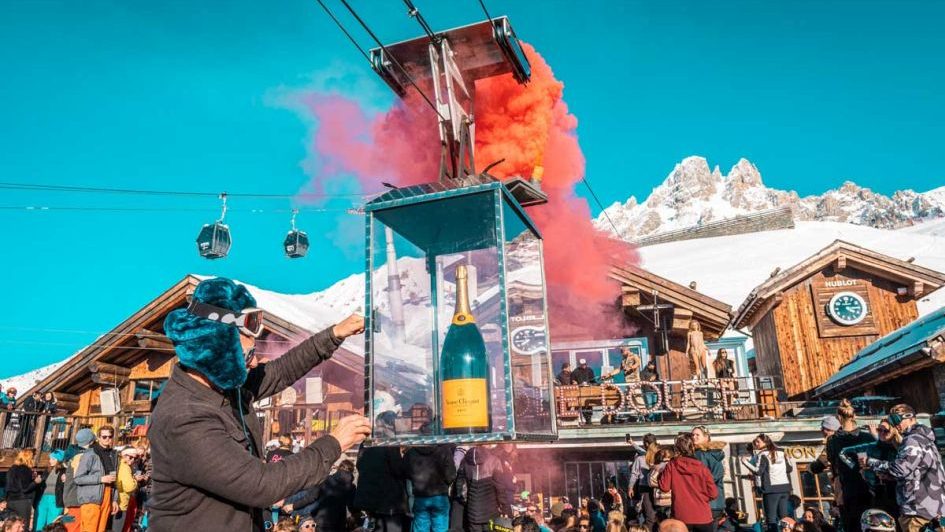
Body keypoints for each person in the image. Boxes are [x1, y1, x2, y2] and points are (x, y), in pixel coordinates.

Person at [148, 277, 369, 532]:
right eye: (247, 355)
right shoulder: (185, 417)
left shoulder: (225, 386)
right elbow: (262, 485)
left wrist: (334, 334)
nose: (254, 363)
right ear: (216, 352)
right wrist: (334, 443)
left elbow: (280, 371)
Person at [864, 404, 945, 532]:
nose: (895, 424)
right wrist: (890, 476)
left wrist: (871, 462)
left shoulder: (913, 440)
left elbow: (900, 469)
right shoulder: (925, 439)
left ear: (910, 418)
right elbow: (915, 472)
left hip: (917, 511)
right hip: (932, 509)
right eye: (892, 421)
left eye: (897, 419)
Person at [352, 414, 410, 532]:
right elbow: (397, 468)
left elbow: (359, 464)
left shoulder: (367, 441)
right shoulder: (389, 441)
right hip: (389, 499)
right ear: (391, 423)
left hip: (370, 497)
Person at [826, 400, 874, 532]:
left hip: (848, 490)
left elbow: (834, 468)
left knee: (851, 526)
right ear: (855, 416)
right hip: (870, 488)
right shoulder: (867, 437)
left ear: (839, 418)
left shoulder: (833, 441)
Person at [839, 419, 900, 518]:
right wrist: (858, 467)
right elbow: (843, 453)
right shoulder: (871, 447)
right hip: (876, 492)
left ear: (893, 431)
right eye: (879, 430)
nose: (882, 433)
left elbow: (903, 469)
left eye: (886, 431)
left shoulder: (899, 448)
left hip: (898, 493)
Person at [657, 433, 717, 532]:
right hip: (702, 515)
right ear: (693, 447)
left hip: (681, 516)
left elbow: (664, 487)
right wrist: (701, 498)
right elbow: (713, 494)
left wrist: (660, 475)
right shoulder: (702, 467)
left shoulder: (671, 465)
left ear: (677, 448)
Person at [741, 434, 791, 532]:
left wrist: (745, 462)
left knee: (771, 519)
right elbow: (789, 469)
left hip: (771, 490)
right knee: (784, 517)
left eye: (758, 442)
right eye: (755, 442)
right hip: (784, 487)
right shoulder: (782, 451)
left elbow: (758, 471)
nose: (756, 444)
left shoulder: (762, 454)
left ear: (765, 442)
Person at [455, 446, 511, 532]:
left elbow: (461, 487)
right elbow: (500, 488)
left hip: (473, 512)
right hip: (491, 512)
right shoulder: (494, 461)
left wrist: (466, 500)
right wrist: (505, 508)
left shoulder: (465, 462)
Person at [405, 444, 456, 532]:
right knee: (441, 529)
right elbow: (451, 475)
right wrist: (446, 483)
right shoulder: (444, 450)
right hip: (440, 495)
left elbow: (405, 472)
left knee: (421, 528)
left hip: (420, 495)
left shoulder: (411, 452)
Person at [691, 426, 725, 524]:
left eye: (697, 435)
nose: (694, 437)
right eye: (692, 435)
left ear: (706, 437)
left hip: (706, 501)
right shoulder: (713, 453)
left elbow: (704, 477)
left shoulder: (701, 454)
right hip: (716, 501)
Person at [629, 434, 658, 531]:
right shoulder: (659, 455)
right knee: (652, 515)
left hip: (647, 488)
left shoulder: (641, 458)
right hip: (657, 487)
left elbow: (634, 474)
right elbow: (641, 450)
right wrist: (632, 443)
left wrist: (630, 487)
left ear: (646, 444)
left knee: (650, 515)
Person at [34, 450, 66, 531]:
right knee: (39, 522)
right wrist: (38, 481)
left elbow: (67, 485)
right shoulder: (47, 471)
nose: (50, 461)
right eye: (50, 459)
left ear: (59, 460)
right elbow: (41, 484)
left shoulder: (64, 471)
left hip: (55, 499)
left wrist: (66, 480)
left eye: (53, 459)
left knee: (52, 523)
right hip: (43, 499)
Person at [5, 449, 38, 526]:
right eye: (32, 457)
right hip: (22, 501)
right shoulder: (25, 469)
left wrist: (31, 478)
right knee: (23, 526)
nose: (33, 459)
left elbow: (12, 484)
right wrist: (35, 482)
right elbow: (25, 488)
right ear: (28, 458)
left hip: (10, 501)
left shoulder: (12, 468)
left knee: (11, 526)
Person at [110, 448, 138, 532]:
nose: (133, 460)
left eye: (135, 458)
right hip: (121, 503)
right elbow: (129, 487)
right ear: (124, 456)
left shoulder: (119, 464)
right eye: (131, 457)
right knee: (118, 528)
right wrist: (135, 481)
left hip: (117, 500)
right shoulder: (125, 467)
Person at [649, 448, 673, 521]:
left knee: (662, 523)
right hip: (670, 499)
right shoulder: (672, 466)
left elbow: (651, 481)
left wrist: (661, 484)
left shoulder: (658, 467)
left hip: (660, 500)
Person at [571, 359, 597, 425]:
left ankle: (589, 419)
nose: (584, 366)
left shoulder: (589, 370)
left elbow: (593, 380)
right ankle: (587, 419)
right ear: (579, 364)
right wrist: (575, 382)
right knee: (583, 404)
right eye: (582, 365)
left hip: (588, 390)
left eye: (585, 364)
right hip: (580, 390)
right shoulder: (575, 371)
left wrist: (592, 384)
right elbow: (572, 380)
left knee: (589, 404)